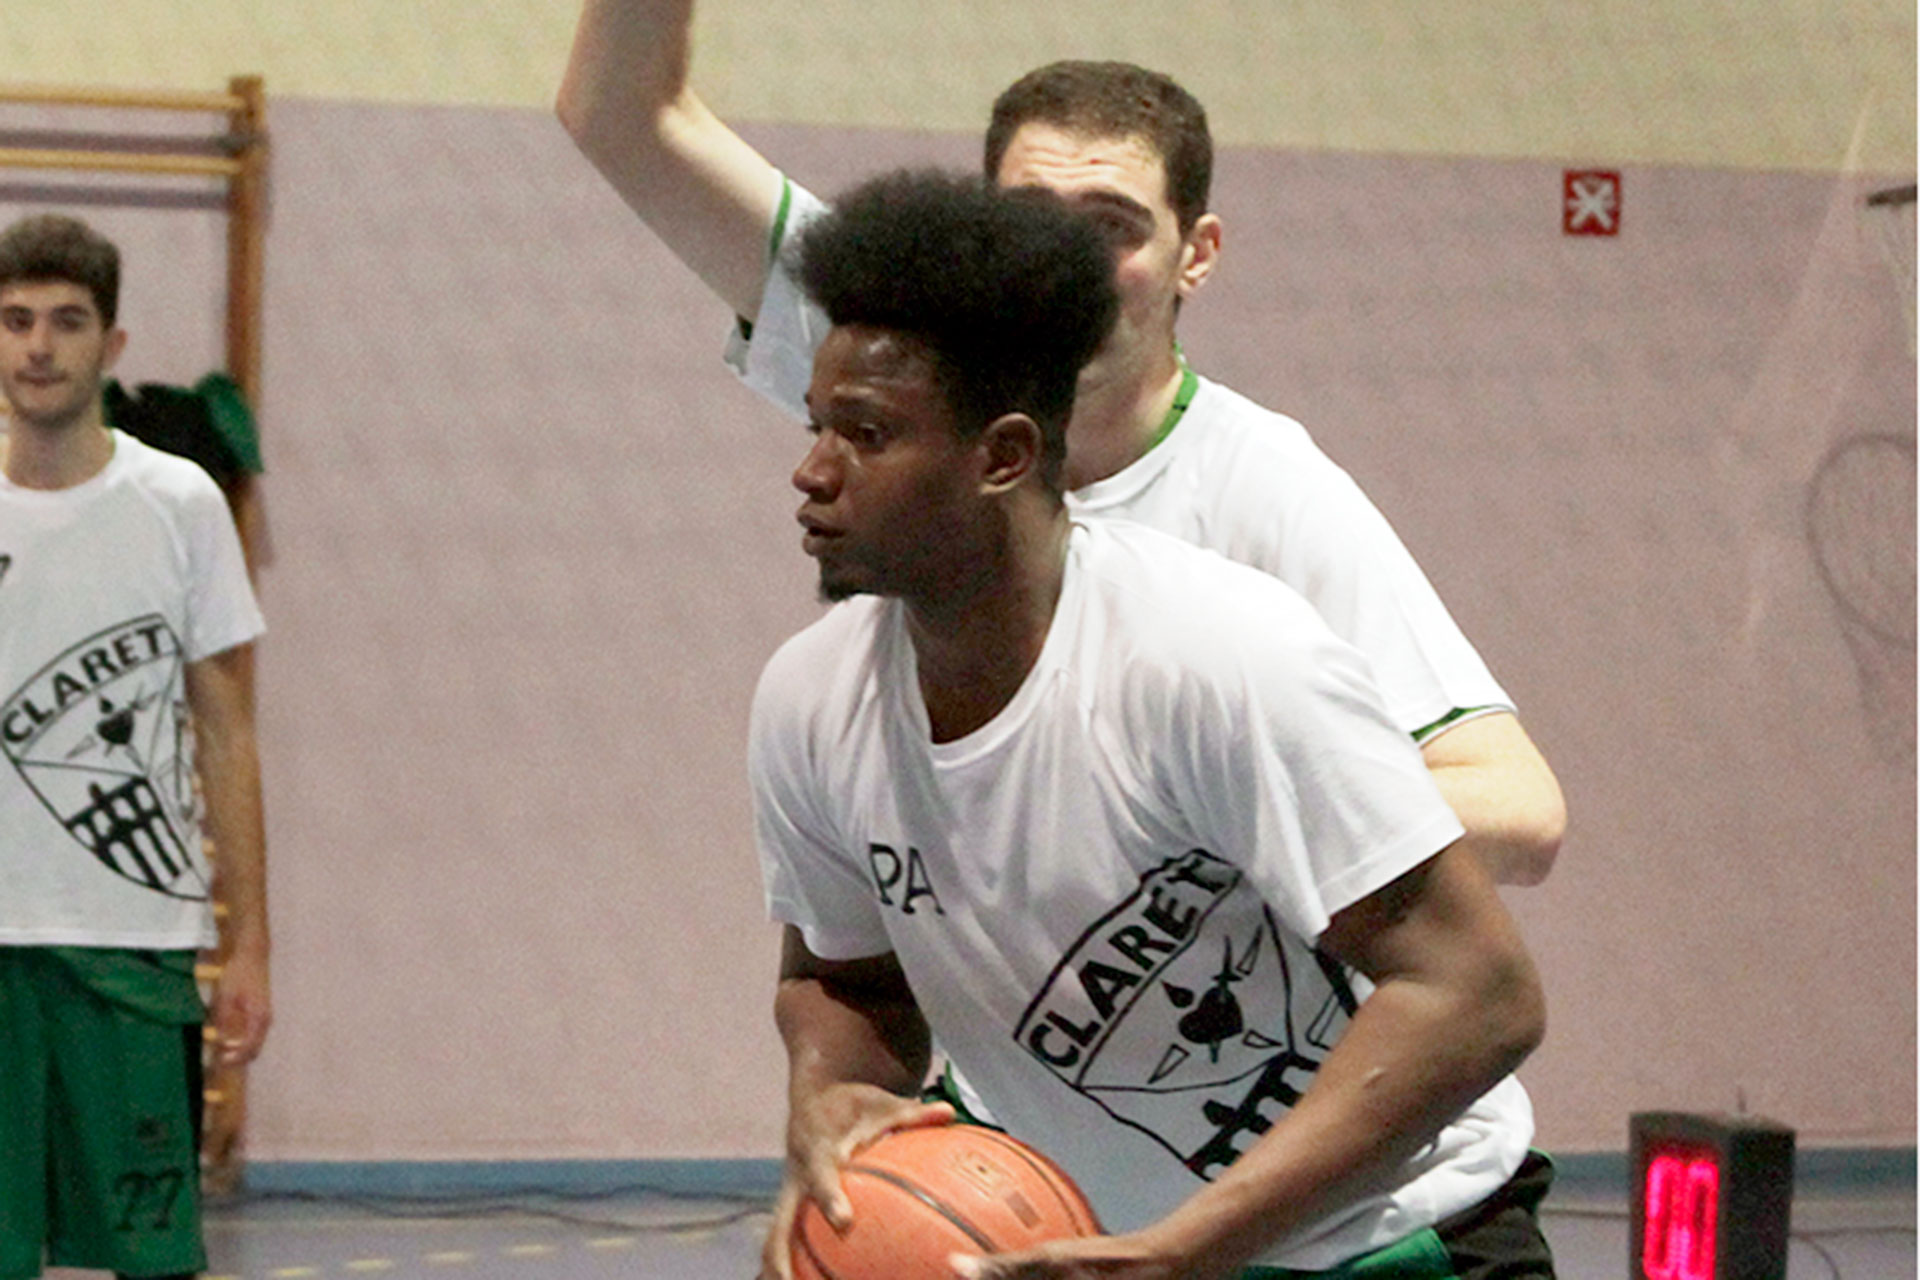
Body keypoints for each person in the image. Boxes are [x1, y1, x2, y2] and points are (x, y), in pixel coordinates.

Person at [557, 1, 1567, 888]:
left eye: (1113, 226)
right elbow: (622, 116)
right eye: (1031, 221)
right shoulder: (907, 365)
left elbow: (1519, 812)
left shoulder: (1266, 490)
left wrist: (1186, 805)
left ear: (1195, 255)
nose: (1066, 265)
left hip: (1317, 1091)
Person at [749, 171, 1551, 1279]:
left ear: (1004, 455)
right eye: (816, 425)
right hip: (1127, 1254)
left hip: (1401, 1240)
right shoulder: (809, 704)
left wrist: (1185, 1249)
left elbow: (1477, 994)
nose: (812, 471)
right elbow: (848, 977)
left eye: (867, 433)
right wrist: (829, 1091)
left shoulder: (1221, 655)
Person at [0, 214, 271, 1280]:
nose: (38, 345)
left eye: (68, 322)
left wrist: (249, 942)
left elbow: (226, 730)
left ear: (112, 347)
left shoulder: (180, 503)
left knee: (155, 1258)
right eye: (16, 319)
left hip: (132, 936)